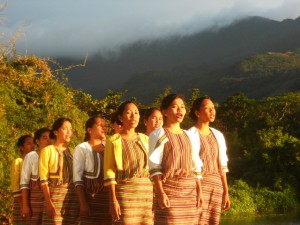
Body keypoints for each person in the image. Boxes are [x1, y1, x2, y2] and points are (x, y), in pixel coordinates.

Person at [148, 94, 203, 225]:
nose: (180, 110)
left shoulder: (190, 135)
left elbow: (195, 166)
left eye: (182, 107)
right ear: (164, 111)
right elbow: (154, 168)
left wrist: (199, 192)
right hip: (169, 191)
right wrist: (160, 193)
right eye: (175, 107)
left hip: (189, 192)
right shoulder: (158, 134)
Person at [104, 100, 153, 225]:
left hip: (146, 194)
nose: (133, 117)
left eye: (136, 113)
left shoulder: (146, 139)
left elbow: (153, 168)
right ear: (120, 117)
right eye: (129, 113)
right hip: (125, 192)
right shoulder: (114, 140)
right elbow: (109, 171)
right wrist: (113, 200)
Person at [189, 96, 230, 225]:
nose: (212, 111)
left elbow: (222, 165)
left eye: (213, 108)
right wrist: (199, 190)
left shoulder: (218, 135)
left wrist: (226, 192)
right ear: (197, 113)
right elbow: (192, 164)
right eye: (207, 108)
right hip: (199, 184)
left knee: (213, 221)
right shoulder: (190, 134)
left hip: (216, 186)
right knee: (197, 221)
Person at [39, 118, 79, 224]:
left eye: (70, 129)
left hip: (72, 197)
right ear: (56, 132)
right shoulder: (47, 151)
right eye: (65, 128)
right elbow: (43, 179)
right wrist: (48, 202)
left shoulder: (73, 152)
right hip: (54, 197)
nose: (69, 132)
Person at [73, 115, 112, 225]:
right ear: (89, 130)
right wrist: (83, 203)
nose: (104, 128)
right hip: (90, 199)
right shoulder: (82, 148)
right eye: (100, 125)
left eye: (106, 126)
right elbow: (77, 178)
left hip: (109, 199)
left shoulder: (110, 147)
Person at [20, 127, 52, 224]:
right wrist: (25, 205)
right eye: (44, 138)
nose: (48, 140)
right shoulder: (31, 156)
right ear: (37, 141)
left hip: (52, 195)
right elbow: (24, 182)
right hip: (35, 197)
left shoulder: (56, 154)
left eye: (50, 137)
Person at [10, 135, 35, 225]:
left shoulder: (35, 161)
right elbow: (15, 187)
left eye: (33, 143)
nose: (32, 146)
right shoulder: (18, 162)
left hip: (33, 200)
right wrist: (23, 205)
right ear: (21, 147)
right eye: (28, 143)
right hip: (21, 201)